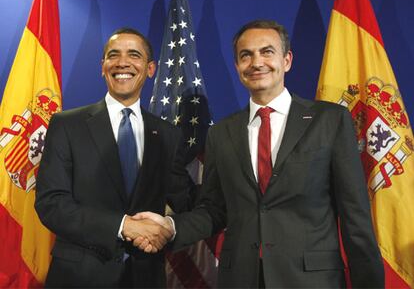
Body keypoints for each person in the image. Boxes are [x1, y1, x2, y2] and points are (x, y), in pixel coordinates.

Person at [131, 20, 385, 288]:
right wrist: (170, 227)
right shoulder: (222, 133)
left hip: (311, 280)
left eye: (267, 52)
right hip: (241, 279)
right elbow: (214, 210)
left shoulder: (330, 121)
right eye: (246, 55)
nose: (256, 62)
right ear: (238, 67)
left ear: (286, 60)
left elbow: (355, 216)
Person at [35, 28, 193, 288]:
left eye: (134, 55)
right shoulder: (67, 125)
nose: (123, 63)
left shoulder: (167, 134)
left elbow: (183, 199)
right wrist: (123, 226)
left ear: (150, 68)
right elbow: (51, 204)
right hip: (79, 277)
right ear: (102, 66)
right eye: (113, 55)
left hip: (145, 277)